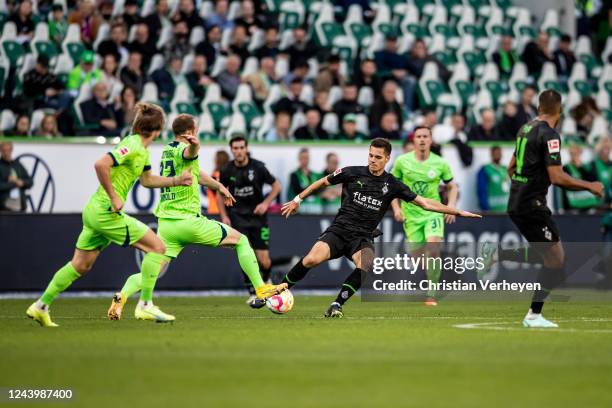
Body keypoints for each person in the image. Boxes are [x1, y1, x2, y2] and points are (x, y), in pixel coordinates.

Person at [26, 103, 194, 327]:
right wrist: (114, 196)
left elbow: (147, 180)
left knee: (80, 265)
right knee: (158, 247)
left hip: (95, 211)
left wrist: (175, 181)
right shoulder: (132, 144)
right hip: (105, 210)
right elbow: (101, 164)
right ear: (159, 128)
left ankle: (41, 306)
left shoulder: (142, 150)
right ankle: (145, 304)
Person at [107, 115, 285, 320]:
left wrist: (219, 186)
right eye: (196, 129)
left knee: (150, 273)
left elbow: (197, 174)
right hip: (189, 222)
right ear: (190, 132)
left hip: (167, 226)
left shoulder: (167, 150)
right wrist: (195, 147)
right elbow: (189, 154)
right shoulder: (186, 149)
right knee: (241, 241)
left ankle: (121, 296)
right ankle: (261, 289)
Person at [280, 138, 480, 317]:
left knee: (366, 263)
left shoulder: (393, 184)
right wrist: (298, 199)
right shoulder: (352, 172)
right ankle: (278, 290)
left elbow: (426, 203)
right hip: (339, 230)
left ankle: (337, 304)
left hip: (363, 236)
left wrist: (457, 211)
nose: (372, 160)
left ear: (387, 159)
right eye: (370, 155)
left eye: (377, 157)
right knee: (310, 259)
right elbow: (322, 182)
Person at [480, 90, 604, 328]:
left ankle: (498, 254)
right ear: (559, 110)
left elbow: (511, 166)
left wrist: (521, 187)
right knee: (556, 259)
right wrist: (590, 186)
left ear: (539, 108)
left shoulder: (525, 129)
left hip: (517, 201)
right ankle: (533, 315)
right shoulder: (550, 135)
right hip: (531, 204)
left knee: (552, 255)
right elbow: (557, 177)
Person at [390, 126, 459, 305]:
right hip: (411, 215)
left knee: (434, 249)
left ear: (430, 140)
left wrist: (450, 206)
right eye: (418, 136)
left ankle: (432, 294)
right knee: (419, 257)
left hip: (432, 212)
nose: (421, 139)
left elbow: (452, 186)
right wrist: (397, 209)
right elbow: (390, 187)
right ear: (414, 141)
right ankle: (432, 281)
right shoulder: (402, 162)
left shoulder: (440, 163)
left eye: (425, 136)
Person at [218, 135, 282, 308]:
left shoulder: (258, 167)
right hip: (238, 218)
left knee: (264, 259)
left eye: (241, 148)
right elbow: (219, 192)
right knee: (246, 254)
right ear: (232, 150)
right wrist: (224, 215)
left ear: (246, 149)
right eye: (235, 148)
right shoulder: (226, 170)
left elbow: (277, 186)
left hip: (258, 218)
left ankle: (267, 280)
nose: (238, 151)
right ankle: (253, 292)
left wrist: (265, 203)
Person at [555, 142, 600, 212]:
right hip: (572, 205)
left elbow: (593, 181)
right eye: (573, 153)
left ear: (580, 152)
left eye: (577, 152)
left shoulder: (588, 166)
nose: (575, 155)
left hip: (589, 204)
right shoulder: (565, 168)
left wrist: (580, 167)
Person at [0, 141, 33, 212]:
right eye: (4, 150)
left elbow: (30, 181)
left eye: (8, 150)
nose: (6, 153)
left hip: (20, 205)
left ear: (12, 150)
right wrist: (14, 183)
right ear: (1, 151)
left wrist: (22, 182)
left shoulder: (17, 165)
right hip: (4, 206)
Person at [287, 148, 322, 214]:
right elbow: (298, 190)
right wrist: (314, 189)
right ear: (299, 159)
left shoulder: (316, 175)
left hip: (316, 209)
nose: (305, 160)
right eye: (303, 158)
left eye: (306, 158)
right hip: (301, 209)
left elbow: (320, 190)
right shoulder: (294, 175)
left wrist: (308, 190)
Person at [477, 146, 510, 212]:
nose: (498, 155)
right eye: (496, 153)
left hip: (505, 209)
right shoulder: (485, 169)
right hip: (492, 210)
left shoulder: (505, 169)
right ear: (491, 154)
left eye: (499, 153)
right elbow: (481, 189)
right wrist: (485, 207)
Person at [207, 150, 230, 215]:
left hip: (215, 211)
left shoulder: (214, 176)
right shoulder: (229, 175)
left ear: (217, 160)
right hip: (226, 212)